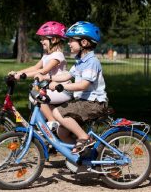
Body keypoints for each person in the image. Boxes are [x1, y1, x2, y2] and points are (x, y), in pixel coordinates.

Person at [35, 21, 108, 154]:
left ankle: (84, 137)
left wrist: (60, 86)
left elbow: (83, 85)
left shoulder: (92, 62)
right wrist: (47, 78)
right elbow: (67, 75)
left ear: (84, 43)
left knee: (57, 112)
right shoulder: (80, 62)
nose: (68, 43)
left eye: (71, 40)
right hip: (84, 102)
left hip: (94, 103)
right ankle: (84, 158)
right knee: (62, 132)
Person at [9, 21, 72, 129]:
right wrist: (18, 73)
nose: (41, 41)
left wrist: (21, 76)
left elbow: (43, 71)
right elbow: (35, 68)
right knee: (36, 96)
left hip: (62, 89)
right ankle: (47, 130)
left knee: (36, 95)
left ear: (53, 39)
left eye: (44, 38)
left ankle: (52, 122)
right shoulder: (47, 55)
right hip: (52, 90)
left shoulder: (58, 55)